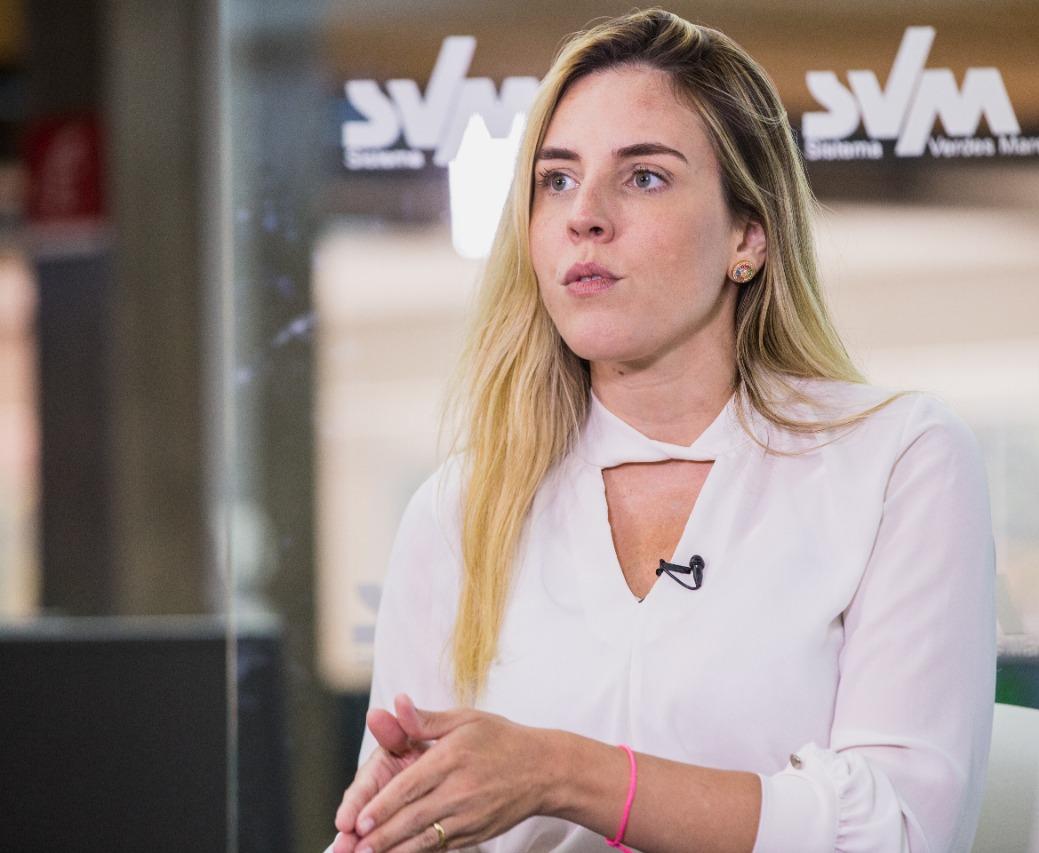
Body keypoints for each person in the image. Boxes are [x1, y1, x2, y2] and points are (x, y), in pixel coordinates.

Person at [329, 8, 995, 853]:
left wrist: (559, 771)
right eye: (556, 180)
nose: (584, 215)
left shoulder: (898, 460)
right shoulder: (457, 508)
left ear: (748, 234)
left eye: (643, 177)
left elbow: (899, 832)